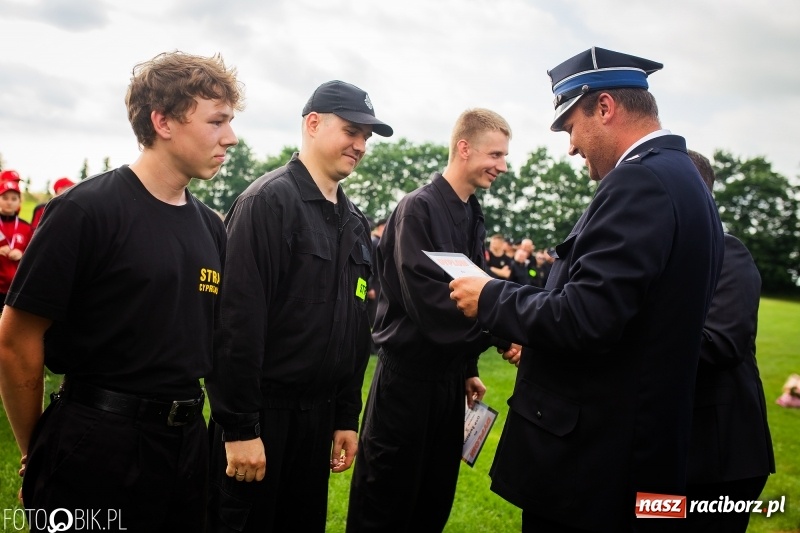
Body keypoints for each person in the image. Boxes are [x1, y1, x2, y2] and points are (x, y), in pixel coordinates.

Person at [449, 47, 724, 532]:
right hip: (634, 452)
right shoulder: (683, 180)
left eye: (570, 127)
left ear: (604, 107)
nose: (571, 147)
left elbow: (586, 317)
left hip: (595, 468)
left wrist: (489, 296)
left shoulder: (641, 181)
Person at [0, 50, 242, 532]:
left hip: (186, 445)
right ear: (164, 121)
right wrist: (38, 449)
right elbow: (16, 339)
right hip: (96, 442)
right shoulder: (83, 212)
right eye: (217, 121)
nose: (230, 138)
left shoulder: (210, 228)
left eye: (230, 122)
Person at [205, 80, 392, 533]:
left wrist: (346, 415)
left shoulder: (354, 221)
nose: (361, 145)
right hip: (262, 419)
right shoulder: (267, 203)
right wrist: (240, 428)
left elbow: (354, 326)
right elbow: (235, 325)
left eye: (367, 137)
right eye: (352, 131)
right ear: (313, 124)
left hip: (319, 419)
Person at [347, 108, 521, 533]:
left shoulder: (472, 213)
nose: (502, 166)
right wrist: (505, 335)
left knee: (432, 500)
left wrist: (467, 369)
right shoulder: (418, 209)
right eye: (495, 155)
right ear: (464, 148)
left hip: (447, 387)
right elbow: (432, 307)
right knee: (386, 504)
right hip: (406, 385)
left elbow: (472, 290)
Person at [684, 150, 775, 532]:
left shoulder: (727, 251)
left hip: (720, 459)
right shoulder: (674, 253)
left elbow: (720, 343)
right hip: (677, 456)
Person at [0, 180, 33, 307]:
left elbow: (33, 253)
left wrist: (22, 253)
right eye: (5, 197)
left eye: (14, 198)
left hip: (16, 289)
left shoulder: (26, 227)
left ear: (19, 201)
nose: (9, 202)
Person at [367, 217, 387, 354]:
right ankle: (371, 347)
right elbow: (369, 266)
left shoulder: (380, 242)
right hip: (373, 285)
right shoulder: (374, 242)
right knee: (372, 317)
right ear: (381, 227)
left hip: (379, 285)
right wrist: (369, 287)